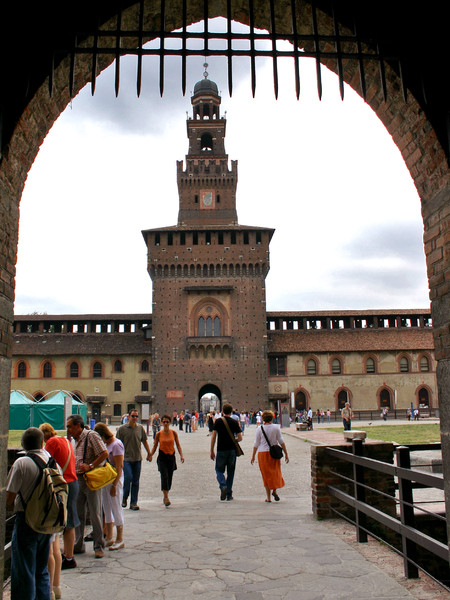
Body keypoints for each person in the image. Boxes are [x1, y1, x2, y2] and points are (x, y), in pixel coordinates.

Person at [6, 427, 53, 600]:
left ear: (23, 444)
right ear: (42, 442)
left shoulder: (21, 463)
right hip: (47, 520)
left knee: (24, 569)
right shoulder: (51, 460)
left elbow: (9, 497)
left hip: (26, 520)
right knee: (41, 569)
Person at [39, 422, 79, 572]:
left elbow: (43, 460)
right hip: (73, 481)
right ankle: (68, 554)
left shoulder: (51, 442)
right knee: (70, 519)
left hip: (64, 484)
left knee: (64, 520)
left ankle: (68, 557)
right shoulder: (64, 440)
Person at [67, 414, 108, 559]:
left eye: (70, 426)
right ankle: (78, 544)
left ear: (78, 426)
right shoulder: (74, 440)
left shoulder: (91, 435)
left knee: (95, 513)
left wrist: (91, 465)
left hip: (90, 479)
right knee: (79, 513)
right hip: (78, 479)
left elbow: (104, 453)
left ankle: (98, 545)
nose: (68, 429)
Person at [94, 423, 125, 550]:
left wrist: (114, 484)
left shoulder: (116, 445)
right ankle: (109, 537)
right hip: (106, 479)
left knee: (116, 507)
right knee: (106, 507)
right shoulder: (107, 444)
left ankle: (120, 538)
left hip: (115, 480)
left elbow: (119, 466)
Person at [116, 408, 152, 510]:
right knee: (128, 478)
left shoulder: (140, 428)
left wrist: (149, 453)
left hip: (137, 458)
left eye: (136, 416)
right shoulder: (122, 429)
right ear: (128, 417)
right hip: (126, 459)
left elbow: (144, 441)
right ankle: (124, 497)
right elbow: (117, 444)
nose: (135, 418)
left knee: (136, 481)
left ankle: (133, 503)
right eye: (133, 416)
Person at [251, 410, 289, 502]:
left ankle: (268, 497)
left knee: (266, 475)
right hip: (274, 453)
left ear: (263, 419)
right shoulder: (276, 427)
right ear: (272, 417)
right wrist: (286, 454)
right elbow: (281, 441)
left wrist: (253, 456)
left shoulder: (259, 429)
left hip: (262, 454)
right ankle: (274, 491)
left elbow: (256, 443)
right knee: (275, 473)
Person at [149, 414, 185, 506]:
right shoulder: (158, 434)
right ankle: (166, 497)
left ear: (170, 422)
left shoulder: (173, 433)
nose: (165, 423)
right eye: (164, 422)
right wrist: (150, 455)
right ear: (162, 423)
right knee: (164, 475)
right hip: (162, 457)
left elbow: (178, 445)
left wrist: (181, 455)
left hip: (171, 457)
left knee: (169, 477)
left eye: (167, 422)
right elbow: (155, 446)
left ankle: (166, 493)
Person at [210, 403, 243, 501]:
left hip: (221, 450)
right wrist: (233, 440)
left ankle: (223, 485)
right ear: (231, 411)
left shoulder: (218, 421)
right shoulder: (234, 422)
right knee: (231, 472)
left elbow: (213, 437)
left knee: (219, 470)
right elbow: (240, 438)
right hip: (232, 450)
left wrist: (211, 450)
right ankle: (229, 493)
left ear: (222, 411)